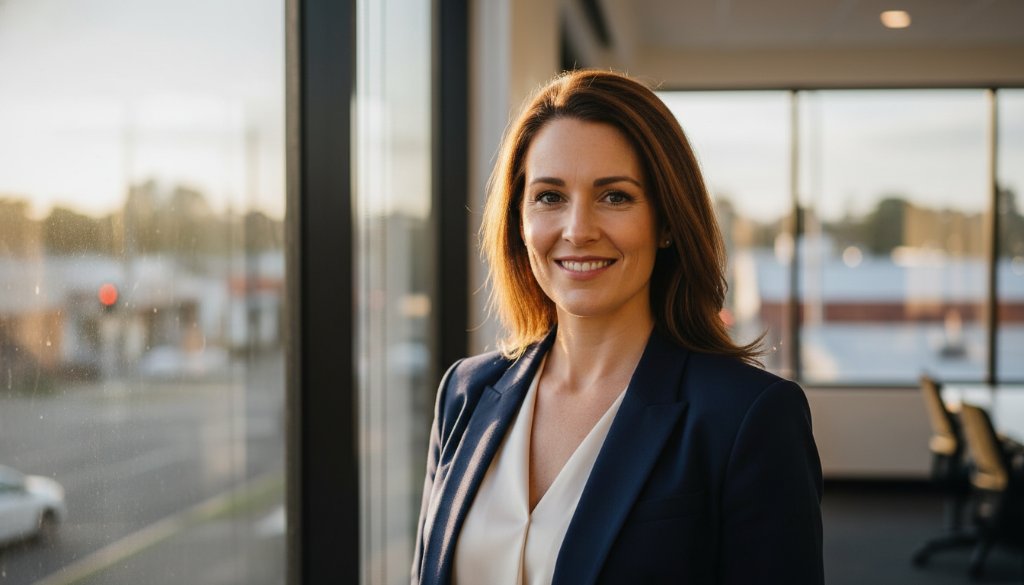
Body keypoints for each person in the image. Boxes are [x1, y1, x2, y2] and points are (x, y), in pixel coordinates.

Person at [412, 69, 823, 585]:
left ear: (668, 222)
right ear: (519, 219)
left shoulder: (747, 418)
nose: (578, 230)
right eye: (549, 196)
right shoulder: (465, 394)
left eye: (615, 197)